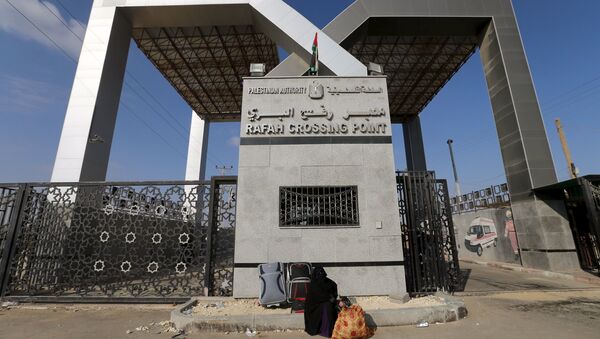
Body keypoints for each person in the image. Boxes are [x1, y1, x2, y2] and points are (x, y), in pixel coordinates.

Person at [304, 267, 338, 337]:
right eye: (319, 274)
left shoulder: (328, 282)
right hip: (313, 308)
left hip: (324, 302)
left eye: (322, 274)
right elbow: (320, 296)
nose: (321, 276)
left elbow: (334, 287)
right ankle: (325, 331)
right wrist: (331, 299)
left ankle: (332, 329)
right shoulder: (313, 285)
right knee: (327, 306)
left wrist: (333, 298)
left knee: (330, 305)